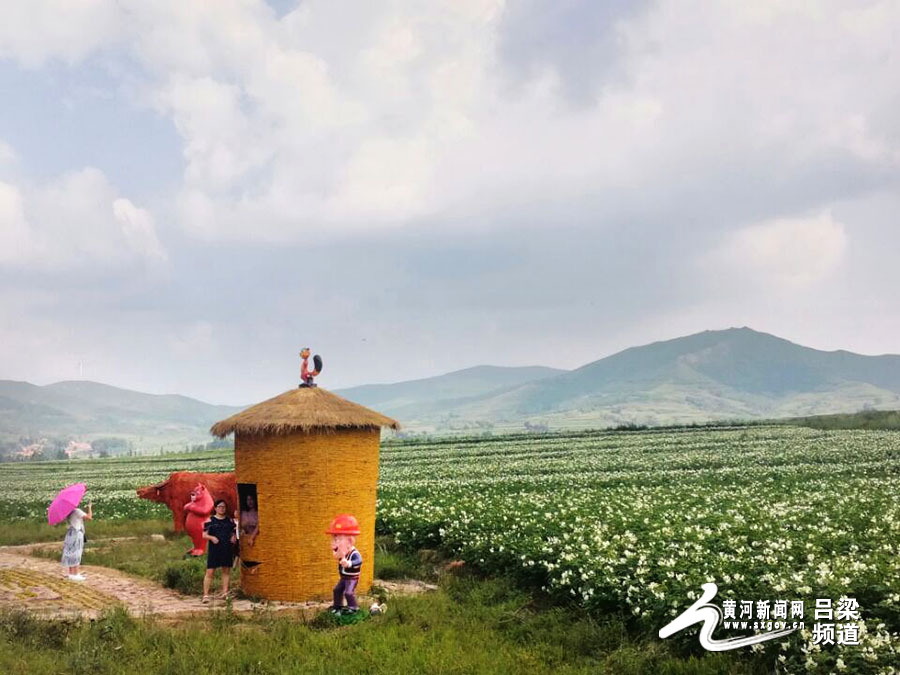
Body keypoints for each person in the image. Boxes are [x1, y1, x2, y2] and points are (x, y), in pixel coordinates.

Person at [326, 514, 363, 615]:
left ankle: (353, 608)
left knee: (348, 592)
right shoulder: (342, 553)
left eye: (338, 540)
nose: (334, 543)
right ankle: (337, 606)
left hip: (351, 579)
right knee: (337, 590)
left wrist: (350, 563)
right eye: (334, 539)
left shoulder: (354, 553)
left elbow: (359, 561)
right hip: (344, 578)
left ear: (349, 541)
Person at [202, 499, 236, 603]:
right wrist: (212, 538)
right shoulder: (209, 521)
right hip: (214, 549)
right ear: (215, 508)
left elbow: (233, 533)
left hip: (226, 548)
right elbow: (204, 535)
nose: (222, 508)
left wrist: (233, 537)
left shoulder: (229, 521)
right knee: (210, 571)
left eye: (224, 507)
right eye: (220, 506)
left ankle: (225, 592)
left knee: (226, 571)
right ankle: (205, 595)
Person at [61, 500, 92, 581]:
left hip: (69, 534)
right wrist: (89, 508)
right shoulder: (77, 511)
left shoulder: (67, 513)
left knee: (70, 552)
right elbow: (89, 517)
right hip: (77, 533)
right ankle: (76, 573)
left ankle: (71, 573)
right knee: (77, 552)